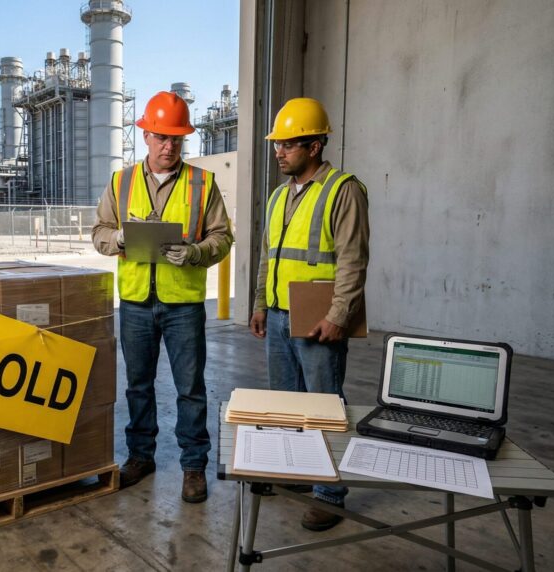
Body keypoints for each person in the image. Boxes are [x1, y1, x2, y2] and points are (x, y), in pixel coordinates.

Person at [92, 91, 233, 503]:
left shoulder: (202, 183)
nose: (169, 146)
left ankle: (194, 466)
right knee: (138, 385)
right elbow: (99, 231)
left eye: (176, 139)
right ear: (146, 137)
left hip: (183, 305)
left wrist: (195, 252)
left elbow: (223, 237)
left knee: (190, 388)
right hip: (135, 302)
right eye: (161, 137)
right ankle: (141, 456)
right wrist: (116, 238)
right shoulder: (122, 181)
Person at [249, 97, 369, 531]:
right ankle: (300, 475)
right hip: (280, 316)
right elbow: (268, 256)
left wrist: (339, 315)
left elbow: (353, 260)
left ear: (315, 146)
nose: (279, 152)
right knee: (287, 407)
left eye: (288, 144)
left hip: (320, 318)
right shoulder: (280, 195)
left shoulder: (343, 189)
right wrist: (261, 304)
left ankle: (330, 495)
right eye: (277, 144)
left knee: (323, 406)